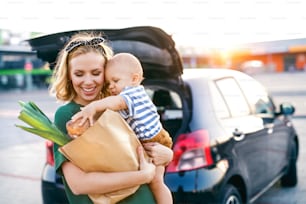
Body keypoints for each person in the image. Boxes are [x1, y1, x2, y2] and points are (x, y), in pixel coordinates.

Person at [50, 32, 173, 204]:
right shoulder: (68, 116)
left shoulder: (117, 106)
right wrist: (142, 176)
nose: (88, 81)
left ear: (106, 73)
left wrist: (167, 154)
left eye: (96, 73)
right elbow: (78, 184)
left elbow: (147, 139)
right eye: (79, 74)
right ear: (69, 76)